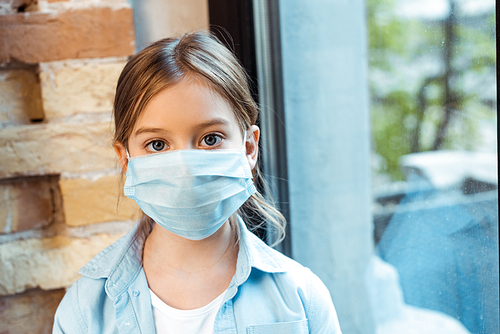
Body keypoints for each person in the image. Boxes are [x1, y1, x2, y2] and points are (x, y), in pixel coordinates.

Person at [53, 32, 342, 334]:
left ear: (248, 148)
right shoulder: (83, 312)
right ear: (125, 158)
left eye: (210, 139)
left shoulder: (302, 299)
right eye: (157, 144)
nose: (185, 170)